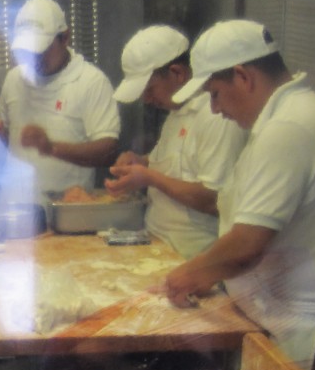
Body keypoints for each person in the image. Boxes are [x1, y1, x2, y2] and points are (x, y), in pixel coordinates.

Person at [163, 20, 315, 370]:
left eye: (216, 93)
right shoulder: (284, 117)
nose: (215, 108)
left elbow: (247, 246)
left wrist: (188, 275)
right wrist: (213, 274)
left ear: (243, 76)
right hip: (295, 325)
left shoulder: (288, 128)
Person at [106, 25, 247, 259]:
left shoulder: (217, 116)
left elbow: (215, 201)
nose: (147, 100)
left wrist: (149, 176)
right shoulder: (176, 113)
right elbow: (175, 166)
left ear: (178, 73)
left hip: (194, 257)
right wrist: (139, 162)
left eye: (150, 89)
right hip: (160, 250)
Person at [0, 0, 120, 203]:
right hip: (15, 210)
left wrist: (52, 147)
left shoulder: (90, 81)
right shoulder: (14, 79)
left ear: (65, 38)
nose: (34, 59)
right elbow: (8, 137)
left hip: (65, 212)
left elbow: (108, 151)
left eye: (41, 50)